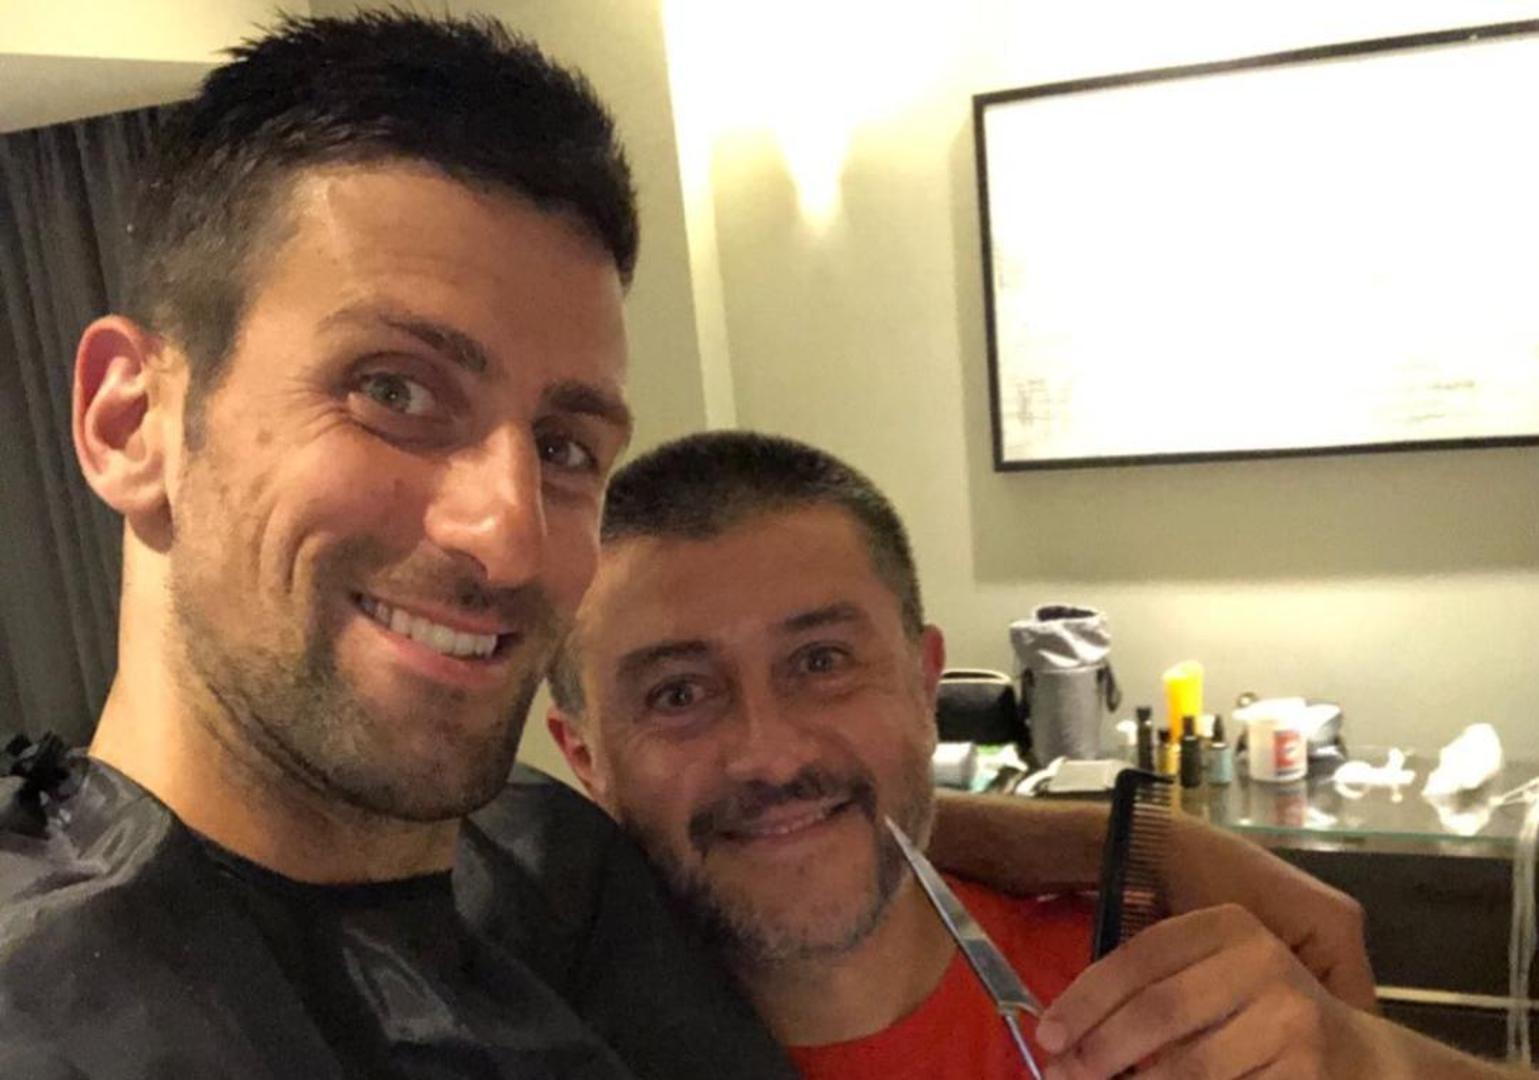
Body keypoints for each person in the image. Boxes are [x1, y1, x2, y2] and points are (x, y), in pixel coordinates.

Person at [0, 9, 1382, 1080]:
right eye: (393, 391)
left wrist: (1139, 849)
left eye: (564, 445)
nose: (508, 531)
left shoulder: (533, 858)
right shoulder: (62, 1006)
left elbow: (767, 808)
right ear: (131, 423)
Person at [546, 429, 1531, 1079]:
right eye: (678, 694)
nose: (768, 753)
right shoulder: (527, 1032)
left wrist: (1366, 1060)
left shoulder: (1157, 978)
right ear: (582, 754)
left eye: (821, 661)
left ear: (924, 681)